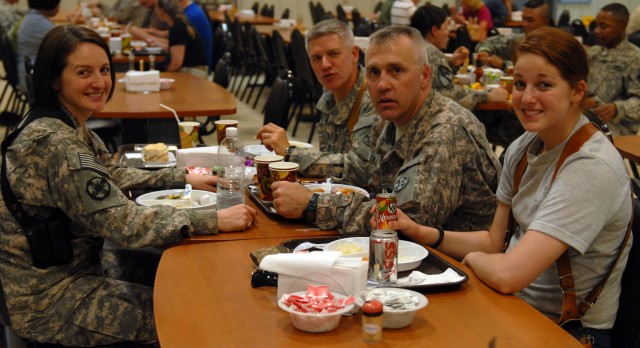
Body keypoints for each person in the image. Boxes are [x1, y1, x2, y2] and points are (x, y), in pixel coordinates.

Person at [0, 25, 256, 346]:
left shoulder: (64, 123)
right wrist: (214, 219)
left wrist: (184, 177)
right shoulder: (56, 143)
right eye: (83, 72)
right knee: (190, 311)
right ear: (54, 80)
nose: (99, 82)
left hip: (74, 266)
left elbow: (111, 174)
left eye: (104, 70)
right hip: (48, 296)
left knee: (183, 278)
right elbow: (124, 225)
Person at [386, 27, 631, 348]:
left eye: (544, 85)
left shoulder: (590, 167)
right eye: (519, 84)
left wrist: (472, 260)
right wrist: (424, 233)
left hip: (568, 330)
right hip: (513, 306)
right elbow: (493, 242)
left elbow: (507, 274)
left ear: (577, 91)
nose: (527, 98)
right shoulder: (524, 147)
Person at [271, 25, 501, 236]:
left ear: (424, 76)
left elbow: (403, 222)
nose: (382, 85)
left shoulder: (446, 132)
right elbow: (374, 191)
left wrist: (312, 204)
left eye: (396, 70)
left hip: (460, 269)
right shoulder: (388, 121)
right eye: (373, 72)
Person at [256, 19, 377, 187]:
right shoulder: (329, 91)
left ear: (354, 54)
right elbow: (331, 163)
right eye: (316, 58)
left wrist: (291, 153)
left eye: (334, 54)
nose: (325, 65)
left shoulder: (373, 97)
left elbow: (361, 170)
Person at [410, 4, 509, 111]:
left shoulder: (412, 46)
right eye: (446, 27)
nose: (448, 33)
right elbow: (449, 95)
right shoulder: (432, 54)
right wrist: (487, 96)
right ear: (435, 30)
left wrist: (450, 63)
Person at [586, 3, 640, 136]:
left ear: (622, 26)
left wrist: (616, 108)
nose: (597, 31)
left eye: (603, 26)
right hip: (587, 116)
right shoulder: (592, 53)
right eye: (596, 26)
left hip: (616, 126)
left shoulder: (635, 58)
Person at [475, 0, 552, 70]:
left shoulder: (553, 47)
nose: (524, 24)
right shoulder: (519, 39)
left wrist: (504, 65)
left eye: (530, 20)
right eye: (523, 19)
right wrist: (484, 52)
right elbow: (485, 42)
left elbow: (532, 70)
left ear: (544, 23)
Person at [155, 0, 209, 77]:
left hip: (194, 73)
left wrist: (163, 75)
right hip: (193, 70)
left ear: (161, 10)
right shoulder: (180, 23)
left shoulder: (178, 28)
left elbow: (176, 64)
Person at [16, 0, 59, 92]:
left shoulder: (33, 18)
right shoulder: (40, 24)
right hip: (34, 79)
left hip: (29, 72)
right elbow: (63, 46)